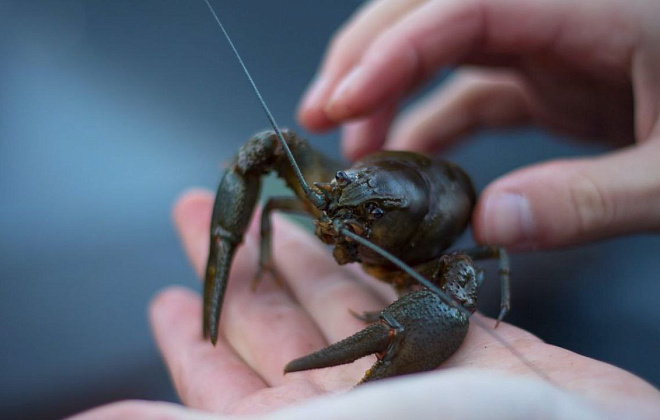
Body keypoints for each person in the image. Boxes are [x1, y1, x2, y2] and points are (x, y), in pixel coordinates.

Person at [70, 0, 660, 418]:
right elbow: (267, 156)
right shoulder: (342, 189)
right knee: (269, 146)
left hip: (428, 231)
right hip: (388, 179)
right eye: (337, 199)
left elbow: (466, 276)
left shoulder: (437, 253)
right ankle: (239, 255)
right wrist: (248, 241)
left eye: (361, 217)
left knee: (459, 285)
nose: (333, 226)